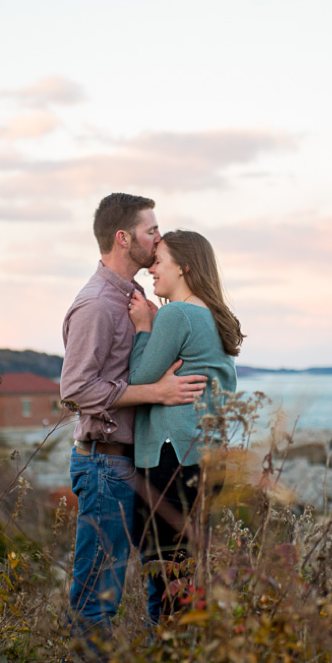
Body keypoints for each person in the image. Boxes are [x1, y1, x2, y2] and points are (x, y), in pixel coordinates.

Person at [60, 194, 208, 649]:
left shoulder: (135, 297)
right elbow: (75, 390)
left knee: (162, 586)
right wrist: (156, 393)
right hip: (105, 466)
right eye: (151, 231)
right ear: (124, 239)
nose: (159, 238)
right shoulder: (97, 305)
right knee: (96, 599)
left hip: (136, 465)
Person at [126, 230, 243, 626]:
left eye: (159, 260)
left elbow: (140, 377)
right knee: (187, 576)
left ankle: (166, 658)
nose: (151, 269)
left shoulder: (177, 314)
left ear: (184, 266)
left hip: (169, 457)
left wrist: (144, 327)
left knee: (164, 575)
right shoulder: (212, 315)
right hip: (205, 458)